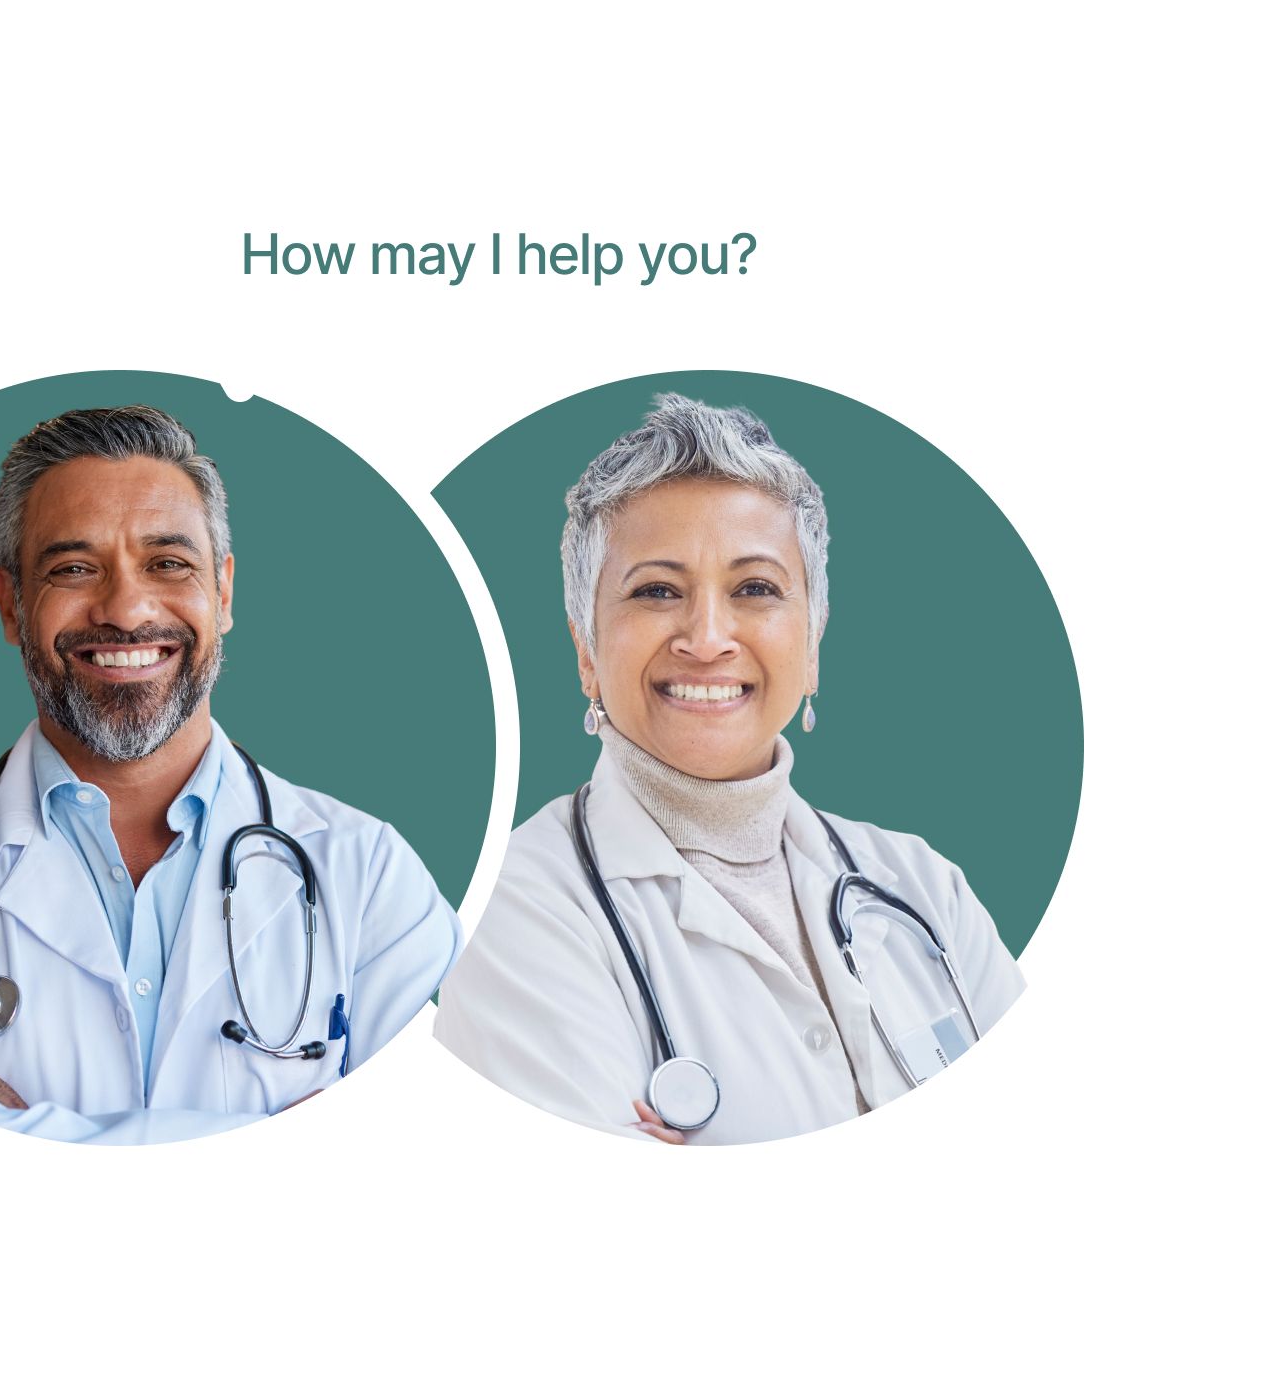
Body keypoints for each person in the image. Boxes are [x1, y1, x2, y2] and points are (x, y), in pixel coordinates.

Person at [0, 406, 457, 1143]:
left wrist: (16, 1135)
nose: (126, 611)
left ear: (223, 593)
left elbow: (443, 1140)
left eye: (168, 564)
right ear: (10, 605)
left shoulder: (369, 872)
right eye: (73, 568)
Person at [435, 394, 1024, 1144]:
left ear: (811, 644)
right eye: (656, 591)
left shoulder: (923, 887)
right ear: (586, 650)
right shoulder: (514, 905)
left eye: (755, 589)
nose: (708, 638)